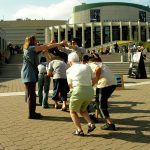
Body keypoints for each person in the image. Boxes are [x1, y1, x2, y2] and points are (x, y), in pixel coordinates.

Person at [21, 35, 58, 119]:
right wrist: (59, 43)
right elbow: (44, 47)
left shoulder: (29, 49)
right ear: (31, 41)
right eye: (35, 40)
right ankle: (31, 114)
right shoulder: (31, 48)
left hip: (28, 73)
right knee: (32, 95)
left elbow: (42, 48)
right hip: (29, 73)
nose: (36, 41)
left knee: (31, 94)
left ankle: (32, 113)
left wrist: (49, 44)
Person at [66, 52, 96, 136]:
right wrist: (89, 86)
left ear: (70, 61)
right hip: (89, 91)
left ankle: (79, 130)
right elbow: (94, 79)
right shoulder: (87, 66)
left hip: (78, 90)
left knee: (73, 111)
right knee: (83, 109)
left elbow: (70, 84)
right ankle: (90, 123)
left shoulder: (69, 70)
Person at [88, 54, 117, 130]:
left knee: (101, 104)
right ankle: (96, 116)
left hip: (104, 84)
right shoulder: (102, 63)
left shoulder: (92, 64)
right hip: (112, 83)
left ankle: (110, 123)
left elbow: (98, 69)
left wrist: (95, 79)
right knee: (97, 101)